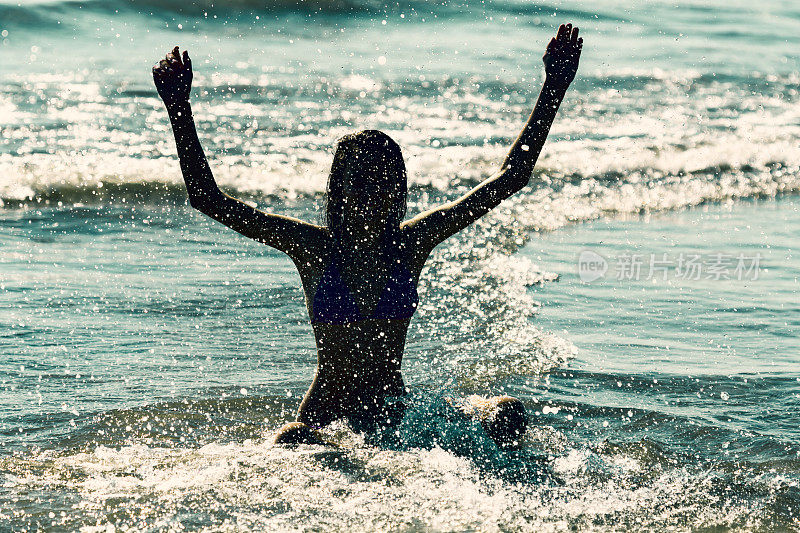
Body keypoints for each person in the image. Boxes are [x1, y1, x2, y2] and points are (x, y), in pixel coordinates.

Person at [152, 24, 582, 447]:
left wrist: (554, 88)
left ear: (397, 187)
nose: (371, 191)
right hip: (327, 416)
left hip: (395, 415)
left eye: (382, 179)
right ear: (340, 188)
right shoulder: (315, 249)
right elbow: (208, 199)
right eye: (359, 179)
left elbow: (510, 177)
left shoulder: (412, 244)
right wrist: (178, 109)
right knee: (293, 439)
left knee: (507, 414)